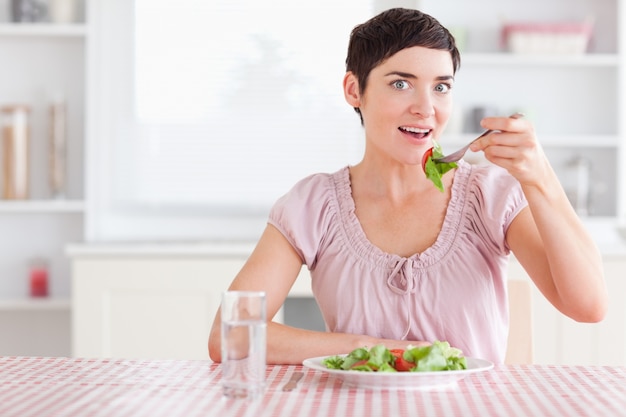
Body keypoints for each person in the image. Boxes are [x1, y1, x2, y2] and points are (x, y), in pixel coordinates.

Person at [208, 7, 607, 365]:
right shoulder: (312, 204)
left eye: (441, 86)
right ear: (353, 90)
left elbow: (588, 306)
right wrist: (368, 347)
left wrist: (539, 176)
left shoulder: (491, 194)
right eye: (401, 84)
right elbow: (231, 335)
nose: (426, 107)